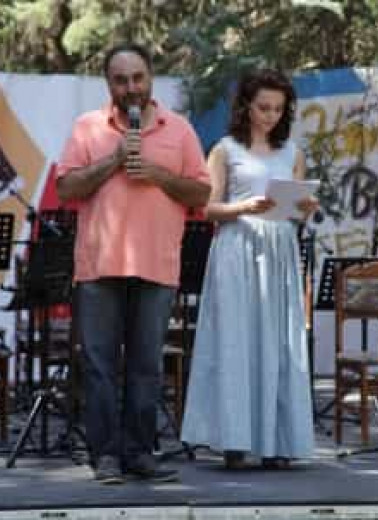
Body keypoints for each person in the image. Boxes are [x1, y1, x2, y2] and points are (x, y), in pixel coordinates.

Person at [56, 43, 211, 485]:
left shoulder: (179, 129)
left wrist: (157, 174)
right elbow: (66, 189)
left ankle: (140, 453)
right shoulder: (87, 127)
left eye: (138, 78)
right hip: (100, 265)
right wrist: (115, 159)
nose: (131, 88)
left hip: (156, 264)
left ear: (151, 77)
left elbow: (201, 193)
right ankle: (105, 456)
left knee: (146, 366)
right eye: (121, 80)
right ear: (109, 84)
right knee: (99, 366)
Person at [181, 69, 318, 469]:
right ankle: (234, 440)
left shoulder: (292, 153)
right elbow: (207, 208)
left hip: (279, 249)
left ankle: (277, 441)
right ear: (246, 106)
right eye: (263, 107)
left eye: (278, 109)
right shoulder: (225, 149)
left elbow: (295, 211)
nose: (270, 115)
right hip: (237, 245)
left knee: (279, 341)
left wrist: (306, 209)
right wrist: (244, 206)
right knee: (235, 339)